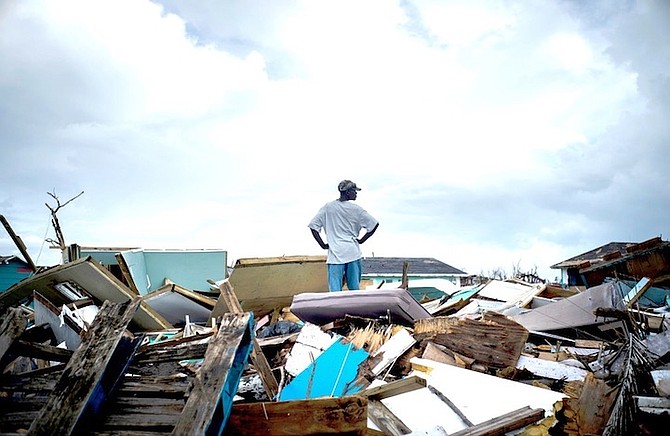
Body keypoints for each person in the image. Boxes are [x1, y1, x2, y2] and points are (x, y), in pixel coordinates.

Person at [308, 180, 379, 291]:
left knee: (335, 290)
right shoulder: (357, 210)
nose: (356, 194)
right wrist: (361, 240)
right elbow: (374, 224)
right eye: (354, 191)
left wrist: (323, 245)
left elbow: (313, 226)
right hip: (352, 253)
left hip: (335, 254)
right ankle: (353, 307)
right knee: (354, 288)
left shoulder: (328, 208)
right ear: (347, 192)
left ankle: (337, 308)